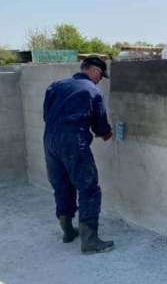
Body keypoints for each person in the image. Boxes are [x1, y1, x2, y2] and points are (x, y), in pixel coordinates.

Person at [43, 56, 114, 254]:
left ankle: (67, 231)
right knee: (88, 187)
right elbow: (100, 125)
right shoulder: (93, 90)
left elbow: (46, 114)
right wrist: (107, 134)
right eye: (100, 74)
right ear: (89, 69)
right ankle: (90, 241)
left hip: (49, 140)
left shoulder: (55, 86)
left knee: (61, 185)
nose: (100, 79)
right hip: (74, 142)